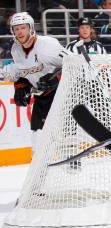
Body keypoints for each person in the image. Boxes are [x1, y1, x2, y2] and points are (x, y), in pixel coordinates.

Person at [0, 13, 64, 154]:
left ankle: (71, 157)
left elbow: (73, 65)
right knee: (37, 135)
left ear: (31, 28)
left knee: (61, 132)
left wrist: (55, 79)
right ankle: (40, 171)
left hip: (61, 94)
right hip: (42, 96)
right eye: (16, 29)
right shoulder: (15, 50)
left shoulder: (48, 45)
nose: (20, 32)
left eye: (23, 28)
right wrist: (21, 88)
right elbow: (24, 73)